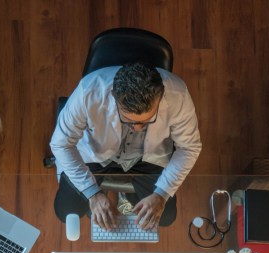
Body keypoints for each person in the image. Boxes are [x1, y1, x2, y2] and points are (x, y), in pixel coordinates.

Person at [50, 62, 201, 231]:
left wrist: (161, 194)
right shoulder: (88, 91)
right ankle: (117, 194)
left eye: (146, 122)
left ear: (161, 97)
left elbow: (189, 148)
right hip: (96, 153)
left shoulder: (178, 95)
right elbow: (61, 144)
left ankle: (128, 195)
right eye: (129, 121)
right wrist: (92, 193)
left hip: (147, 157)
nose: (137, 128)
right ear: (113, 97)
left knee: (165, 217)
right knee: (66, 211)